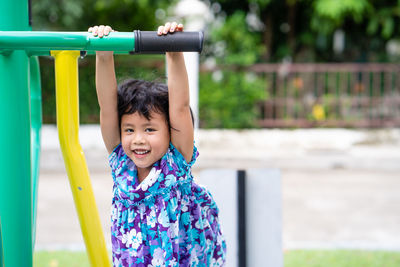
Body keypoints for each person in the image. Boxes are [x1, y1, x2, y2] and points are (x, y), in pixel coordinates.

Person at [88, 22, 226, 266]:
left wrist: (173, 52)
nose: (138, 139)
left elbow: (180, 106)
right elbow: (107, 108)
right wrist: (103, 54)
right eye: (129, 130)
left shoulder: (175, 163)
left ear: (170, 131)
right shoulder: (121, 162)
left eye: (149, 129)